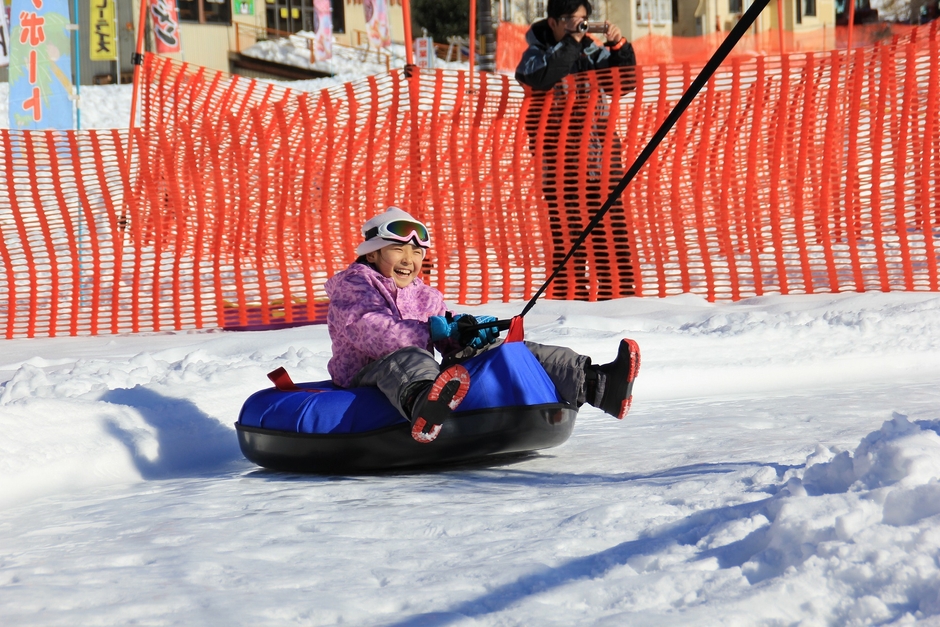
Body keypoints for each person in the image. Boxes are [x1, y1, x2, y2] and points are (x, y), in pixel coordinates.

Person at [325, 207, 640, 435]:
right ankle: (426, 407)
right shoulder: (355, 285)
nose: (409, 260)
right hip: (366, 372)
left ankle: (596, 383)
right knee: (407, 357)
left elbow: (444, 339)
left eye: (417, 252)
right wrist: (429, 331)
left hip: (420, 368)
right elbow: (370, 331)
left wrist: (467, 333)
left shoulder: (426, 296)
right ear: (372, 254)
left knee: (499, 349)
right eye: (397, 249)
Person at [515, 0, 636, 302]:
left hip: (600, 160)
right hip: (560, 166)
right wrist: (572, 42)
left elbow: (624, 83)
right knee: (569, 240)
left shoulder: (591, 50)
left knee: (611, 235)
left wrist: (620, 47)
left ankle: (619, 301)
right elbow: (540, 77)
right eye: (571, 19)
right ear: (553, 22)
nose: (578, 25)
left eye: (583, 20)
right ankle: (572, 304)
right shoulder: (536, 53)